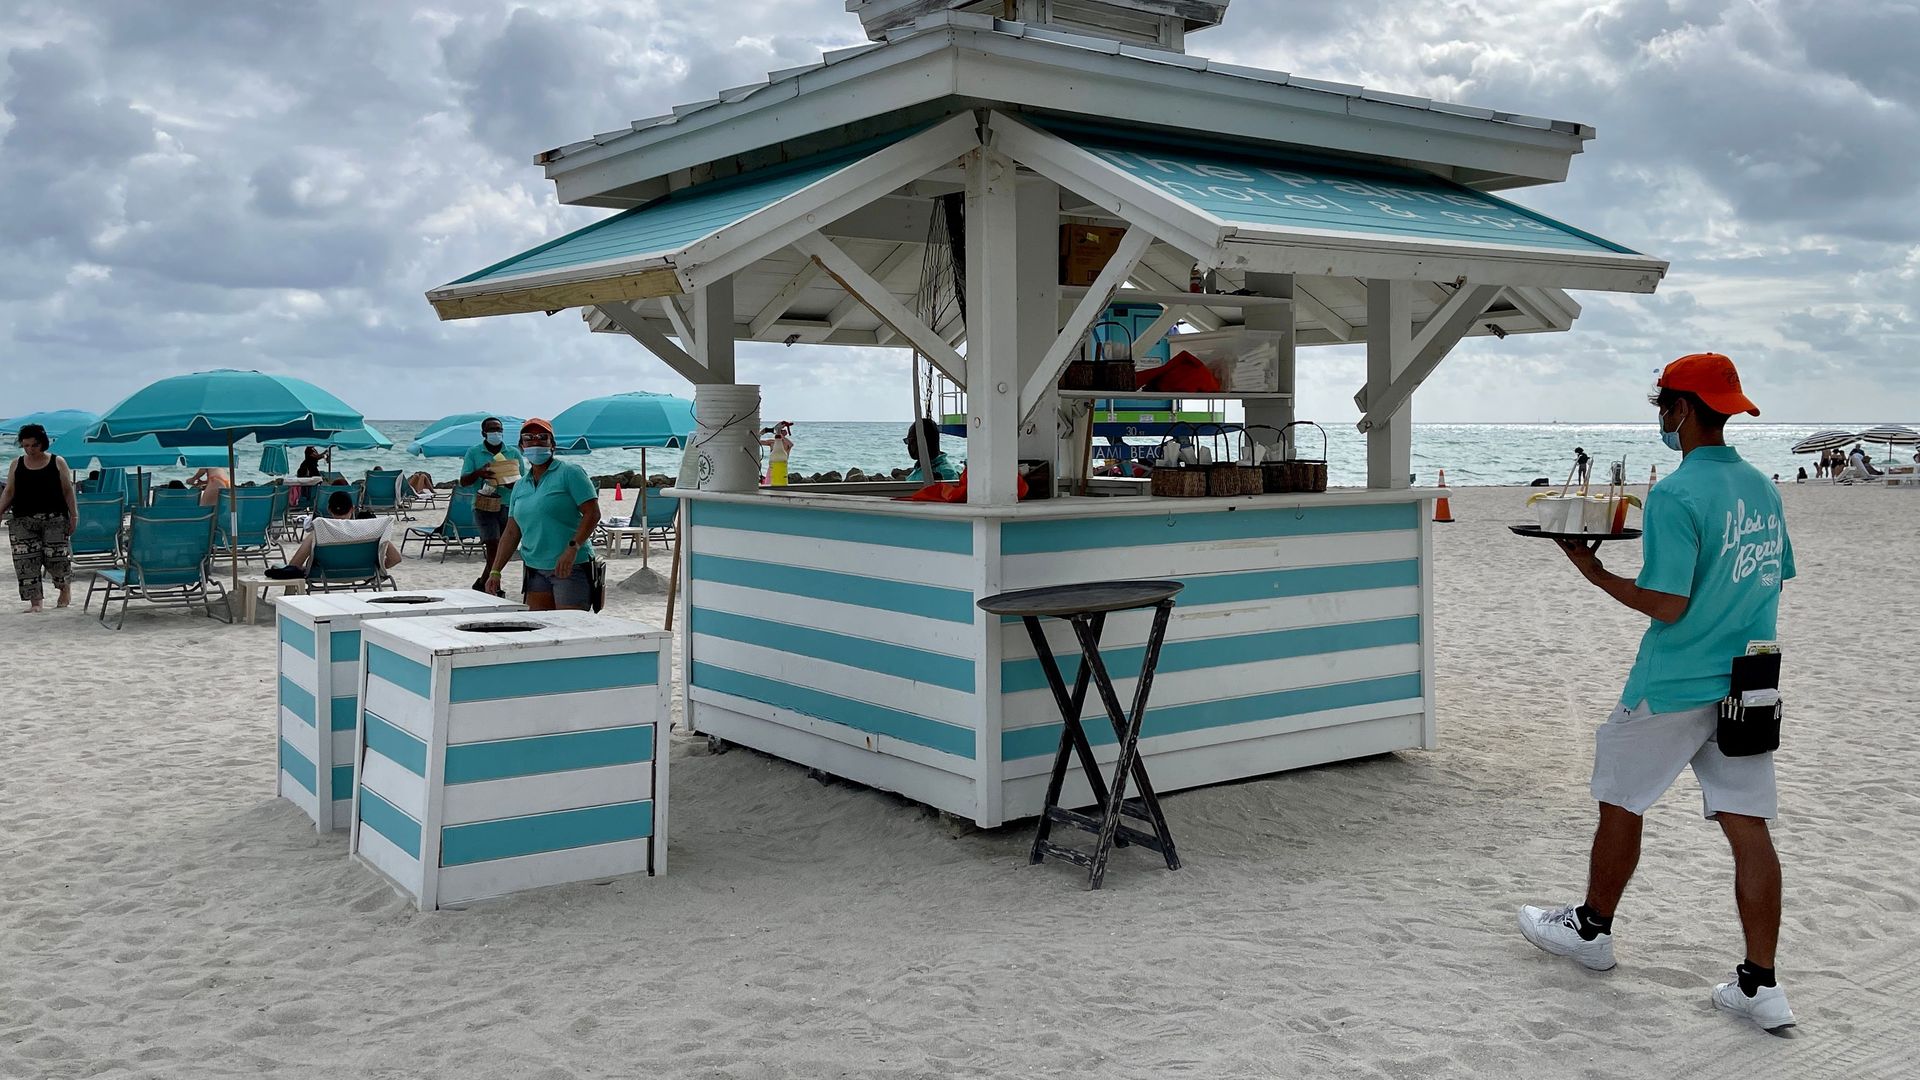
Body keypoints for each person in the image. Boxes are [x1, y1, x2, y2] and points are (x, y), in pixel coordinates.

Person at [1522, 353, 1796, 1031]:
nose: (1662, 420)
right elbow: (1771, 575)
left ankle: (1590, 931)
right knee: (1748, 825)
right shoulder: (1762, 487)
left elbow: (1667, 604)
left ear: (1678, 409)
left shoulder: (1675, 494)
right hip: (1748, 681)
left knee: (1621, 800)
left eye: (1662, 408)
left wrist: (1592, 571)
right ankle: (1760, 985)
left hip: (1674, 679)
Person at [484, 418, 599, 611]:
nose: (535, 442)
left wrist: (572, 548)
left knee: (570, 631)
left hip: (569, 567)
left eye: (542, 437)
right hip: (534, 569)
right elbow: (512, 532)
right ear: (522, 446)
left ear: (552, 444)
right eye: (528, 438)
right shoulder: (520, 485)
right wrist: (495, 571)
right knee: (540, 630)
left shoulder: (570, 473)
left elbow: (592, 514)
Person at [0, 423, 79, 612]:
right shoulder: (16, 464)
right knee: (26, 561)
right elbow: (9, 492)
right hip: (23, 520)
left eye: (34, 445)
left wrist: (74, 515)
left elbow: (68, 490)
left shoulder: (57, 462)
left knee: (57, 558)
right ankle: (35, 602)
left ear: (42, 443)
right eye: (26, 445)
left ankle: (64, 589)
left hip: (54, 519)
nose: (30, 449)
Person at [265, 489, 402, 578]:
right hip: (365, 572)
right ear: (352, 509)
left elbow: (294, 565)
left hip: (324, 575)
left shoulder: (320, 531)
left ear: (329, 510)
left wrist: (307, 568)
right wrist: (374, 567)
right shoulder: (370, 530)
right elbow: (396, 558)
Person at [459, 417, 524, 596]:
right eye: (492, 430)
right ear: (484, 433)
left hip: (508, 505)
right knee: (494, 546)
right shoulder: (474, 452)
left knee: (504, 548)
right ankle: (494, 586)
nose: (496, 433)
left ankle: (483, 582)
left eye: (499, 429)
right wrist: (480, 472)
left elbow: (523, 481)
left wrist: (508, 480)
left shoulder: (513, 453)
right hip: (483, 505)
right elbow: (463, 481)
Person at [904, 418, 960, 482]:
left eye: (912, 441)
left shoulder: (944, 475)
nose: (909, 446)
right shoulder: (924, 465)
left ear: (928, 441)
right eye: (908, 441)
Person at [759, 421, 794, 486]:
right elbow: (757, 441)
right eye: (781, 430)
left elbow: (791, 445)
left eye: (783, 430)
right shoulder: (772, 442)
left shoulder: (787, 443)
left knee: (781, 485)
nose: (783, 431)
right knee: (769, 485)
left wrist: (779, 432)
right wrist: (761, 433)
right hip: (772, 467)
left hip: (782, 466)